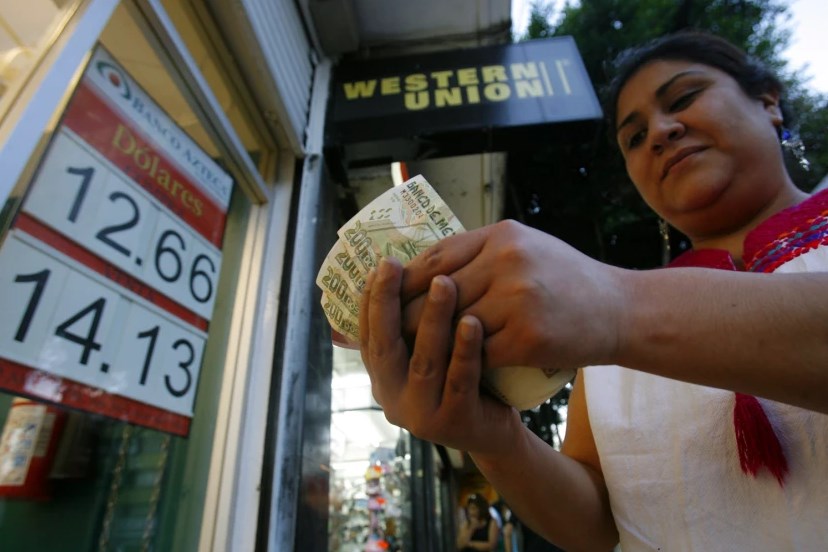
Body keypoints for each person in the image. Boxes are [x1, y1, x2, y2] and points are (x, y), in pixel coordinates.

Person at [353, 30, 828, 551]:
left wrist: (618, 308)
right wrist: (493, 440)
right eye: (634, 137)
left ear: (769, 103)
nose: (660, 133)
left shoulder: (611, 312)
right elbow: (600, 524)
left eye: (684, 98)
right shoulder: (608, 324)